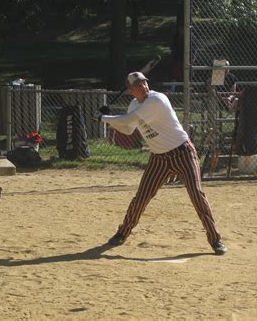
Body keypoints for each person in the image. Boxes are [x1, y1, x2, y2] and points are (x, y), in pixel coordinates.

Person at [94, 72, 227, 255]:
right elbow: (127, 128)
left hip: (182, 153)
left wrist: (103, 118)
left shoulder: (157, 100)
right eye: (138, 85)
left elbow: (128, 120)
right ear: (131, 90)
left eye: (144, 83)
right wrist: (109, 119)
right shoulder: (134, 104)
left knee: (196, 194)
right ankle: (122, 233)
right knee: (141, 198)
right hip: (159, 158)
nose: (144, 87)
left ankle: (215, 239)